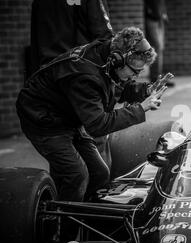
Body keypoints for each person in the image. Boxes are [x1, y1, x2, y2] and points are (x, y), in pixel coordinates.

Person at [16, 27, 167, 203]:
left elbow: (116, 88)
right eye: (135, 71)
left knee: (99, 172)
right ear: (118, 60)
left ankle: (85, 214)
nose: (137, 75)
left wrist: (145, 90)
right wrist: (140, 109)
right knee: (76, 175)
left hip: (69, 115)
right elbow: (98, 125)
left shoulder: (107, 59)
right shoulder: (85, 76)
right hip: (43, 119)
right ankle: (63, 225)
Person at [29, 0, 114, 77]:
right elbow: (104, 39)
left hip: (47, 76)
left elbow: (35, 46)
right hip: (80, 73)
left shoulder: (38, 2)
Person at [144, 0, 174, 86]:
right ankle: (155, 78)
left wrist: (163, 12)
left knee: (160, 48)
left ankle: (159, 78)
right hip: (152, 18)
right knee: (156, 47)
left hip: (160, 19)